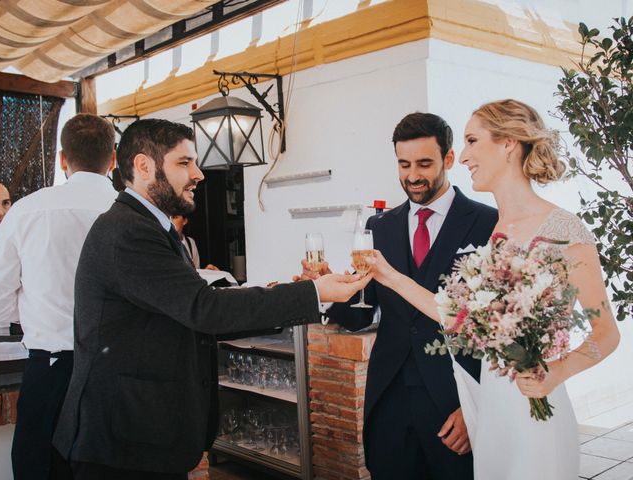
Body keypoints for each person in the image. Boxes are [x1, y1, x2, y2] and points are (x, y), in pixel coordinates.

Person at [52, 118, 370, 480]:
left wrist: (300, 292)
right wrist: (314, 293)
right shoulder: (128, 230)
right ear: (144, 166)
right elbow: (205, 309)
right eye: (184, 162)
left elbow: (199, 307)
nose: (199, 174)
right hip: (122, 441)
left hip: (141, 435)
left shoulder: (149, 226)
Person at [366, 99, 620, 479]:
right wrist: (386, 274)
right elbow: (456, 315)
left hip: (534, 408)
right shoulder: (498, 230)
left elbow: (607, 334)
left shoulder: (564, 229)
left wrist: (553, 372)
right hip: (491, 410)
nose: (464, 156)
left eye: (471, 140)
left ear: (508, 144)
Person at [299, 113, 497, 479]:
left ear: (448, 160)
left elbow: (495, 331)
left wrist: (477, 406)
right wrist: (328, 290)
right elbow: (362, 312)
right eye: (403, 164)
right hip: (389, 393)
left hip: (453, 399)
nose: (412, 175)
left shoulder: (488, 222)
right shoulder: (380, 226)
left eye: (424, 163)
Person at [0, 114, 118, 480]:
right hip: (121, 370)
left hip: (51, 368)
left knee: (42, 469)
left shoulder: (27, 210)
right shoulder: (134, 211)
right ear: (112, 159)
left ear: (63, 159)